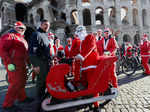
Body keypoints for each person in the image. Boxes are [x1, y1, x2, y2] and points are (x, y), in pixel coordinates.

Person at [0, 21, 33, 112]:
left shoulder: (23, 39)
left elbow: (25, 53)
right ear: (15, 28)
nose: (22, 30)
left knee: (22, 82)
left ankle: (22, 98)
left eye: (23, 29)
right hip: (13, 64)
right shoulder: (9, 36)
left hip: (22, 64)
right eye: (20, 28)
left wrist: (28, 63)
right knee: (15, 84)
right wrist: (9, 63)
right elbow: (2, 50)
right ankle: (7, 105)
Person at [29, 19, 51, 101]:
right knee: (41, 80)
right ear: (41, 25)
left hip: (45, 61)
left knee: (46, 79)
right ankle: (39, 99)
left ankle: (44, 96)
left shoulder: (45, 34)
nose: (47, 26)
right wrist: (35, 65)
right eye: (45, 24)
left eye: (48, 25)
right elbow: (32, 52)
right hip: (40, 62)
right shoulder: (36, 34)